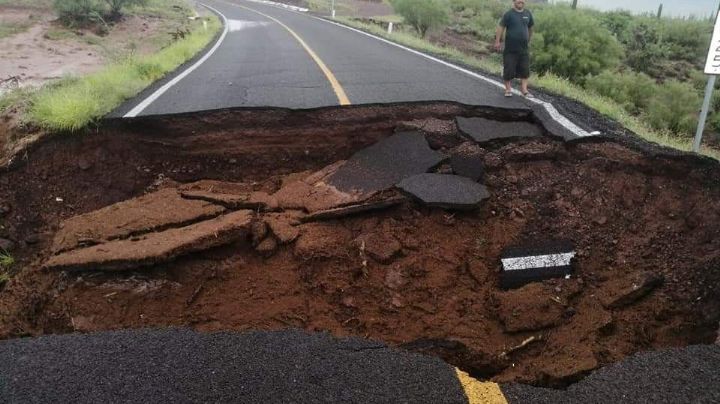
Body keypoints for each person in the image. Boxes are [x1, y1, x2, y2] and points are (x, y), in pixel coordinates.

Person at [494, 0, 534, 98]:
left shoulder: (528, 13)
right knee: (509, 69)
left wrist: (529, 39)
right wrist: (497, 41)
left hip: (523, 49)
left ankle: (524, 90)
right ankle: (508, 89)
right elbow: (501, 27)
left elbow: (531, 27)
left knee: (525, 70)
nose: (520, 1)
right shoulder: (509, 14)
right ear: (514, 1)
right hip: (510, 49)